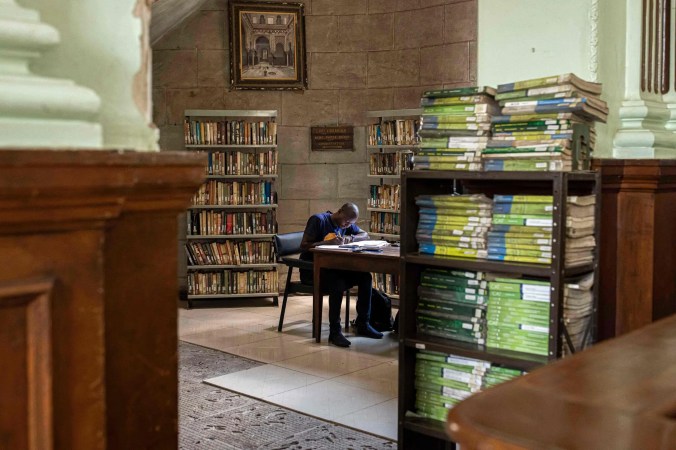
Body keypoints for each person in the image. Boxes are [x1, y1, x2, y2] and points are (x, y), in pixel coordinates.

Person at [299, 203, 383, 347]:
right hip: (312, 270)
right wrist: (326, 242)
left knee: (365, 277)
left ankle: (363, 323)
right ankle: (335, 332)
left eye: (351, 223)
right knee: (337, 283)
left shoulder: (346, 225)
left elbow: (365, 234)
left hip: (333, 269)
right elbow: (303, 245)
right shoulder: (318, 220)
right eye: (346, 221)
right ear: (339, 212)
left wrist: (352, 238)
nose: (347, 225)